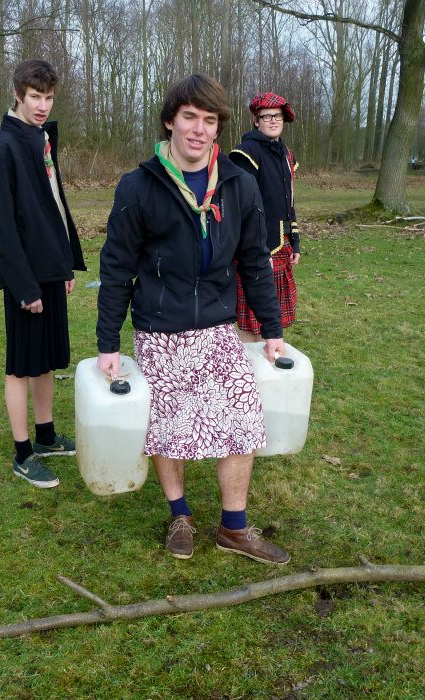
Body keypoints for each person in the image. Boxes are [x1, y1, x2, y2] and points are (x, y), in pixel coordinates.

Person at [96, 74, 291, 565]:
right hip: (160, 330)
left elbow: (254, 262)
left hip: (218, 329)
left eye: (209, 120)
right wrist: (108, 343)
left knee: (243, 419)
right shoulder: (138, 187)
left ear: (218, 127)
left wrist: (272, 330)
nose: (199, 130)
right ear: (170, 121)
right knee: (169, 426)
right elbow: (116, 269)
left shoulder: (238, 185)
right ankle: (180, 514)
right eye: (190, 118)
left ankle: (234, 527)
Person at [0, 59, 86, 489]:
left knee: (46, 359)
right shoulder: (0, 150)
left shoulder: (40, 140)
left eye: (48, 97)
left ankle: (45, 437)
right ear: (18, 95)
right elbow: (0, 227)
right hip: (23, 278)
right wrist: (23, 287)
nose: (42, 105)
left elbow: (52, 210)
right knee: (22, 365)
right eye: (35, 97)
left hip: (49, 270)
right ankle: (23, 454)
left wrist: (63, 264)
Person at [229, 92, 301, 342]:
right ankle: (249, 369)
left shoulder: (286, 154)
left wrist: (295, 241)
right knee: (250, 323)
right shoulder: (245, 153)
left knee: (272, 320)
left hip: (281, 244)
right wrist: (256, 252)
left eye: (277, 116)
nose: (273, 120)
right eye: (266, 116)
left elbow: (288, 201)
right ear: (256, 121)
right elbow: (241, 208)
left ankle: (267, 364)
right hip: (255, 247)